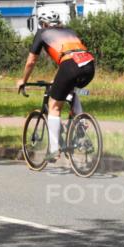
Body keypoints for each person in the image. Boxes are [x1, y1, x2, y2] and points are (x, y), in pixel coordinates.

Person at [16, 11, 95, 163]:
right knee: (71, 91)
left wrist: (23, 80)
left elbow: (31, 62)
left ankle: (53, 150)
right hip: (89, 65)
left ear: (43, 24)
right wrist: (57, 79)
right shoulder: (69, 31)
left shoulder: (42, 33)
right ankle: (81, 125)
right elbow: (71, 55)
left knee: (54, 106)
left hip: (70, 67)